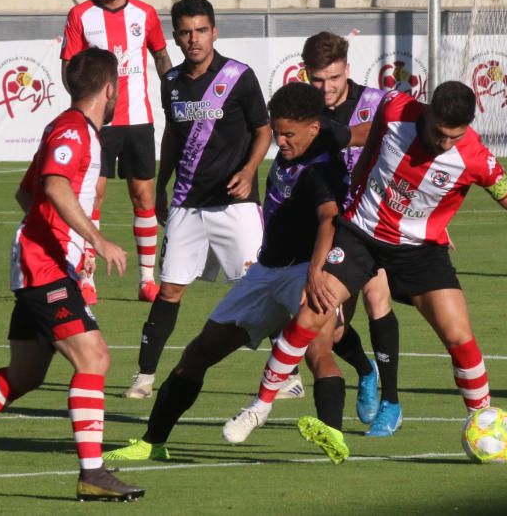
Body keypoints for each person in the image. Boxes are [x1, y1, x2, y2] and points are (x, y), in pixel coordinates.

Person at [225, 81, 507, 463]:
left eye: (454, 137)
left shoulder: (476, 157)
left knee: (459, 335)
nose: (445, 144)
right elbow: (368, 144)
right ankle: (259, 408)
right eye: (439, 134)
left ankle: (484, 424)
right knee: (311, 311)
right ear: (426, 114)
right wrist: (353, 189)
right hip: (362, 234)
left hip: (419, 250)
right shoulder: (395, 108)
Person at [0, 48, 144, 502]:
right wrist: (94, 239)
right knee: (93, 359)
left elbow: (27, 194)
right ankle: (92, 472)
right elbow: (54, 186)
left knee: (26, 374)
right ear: (110, 89)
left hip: (43, 262)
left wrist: (71, 241)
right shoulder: (75, 132)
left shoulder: (66, 128)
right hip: (43, 269)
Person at [105, 83, 353, 465]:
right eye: (277, 131)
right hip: (266, 269)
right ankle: (153, 441)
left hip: (304, 272)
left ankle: (332, 434)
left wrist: (318, 273)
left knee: (319, 349)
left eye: (289, 134)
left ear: (313, 128)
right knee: (199, 351)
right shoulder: (314, 135)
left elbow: (328, 219)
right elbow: (346, 131)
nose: (281, 141)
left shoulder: (322, 167)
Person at [122, 0, 270, 399]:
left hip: (234, 205)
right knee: (169, 289)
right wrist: (162, 182)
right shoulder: (170, 83)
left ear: (214, 32)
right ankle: (145, 376)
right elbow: (172, 136)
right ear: (175, 37)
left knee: (259, 288)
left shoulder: (239, 76)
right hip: (188, 203)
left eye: (201, 30)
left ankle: (285, 374)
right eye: (186, 33)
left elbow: (263, 129)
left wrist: (248, 171)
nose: (194, 40)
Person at [61, 0, 172, 304]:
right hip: (99, 126)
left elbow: (160, 55)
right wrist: (82, 107)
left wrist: (173, 92)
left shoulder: (146, 14)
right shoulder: (80, 15)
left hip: (138, 122)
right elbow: (69, 66)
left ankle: (146, 280)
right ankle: (87, 278)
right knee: (93, 198)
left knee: (143, 197)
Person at [304, 31, 402, 436]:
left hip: (372, 224)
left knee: (378, 297)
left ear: (347, 70)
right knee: (333, 324)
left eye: (333, 78)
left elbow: (405, 157)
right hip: (327, 227)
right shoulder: (305, 110)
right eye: (317, 80)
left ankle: (391, 404)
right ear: (305, 74)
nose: (326, 88)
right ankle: (365, 370)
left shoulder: (376, 104)